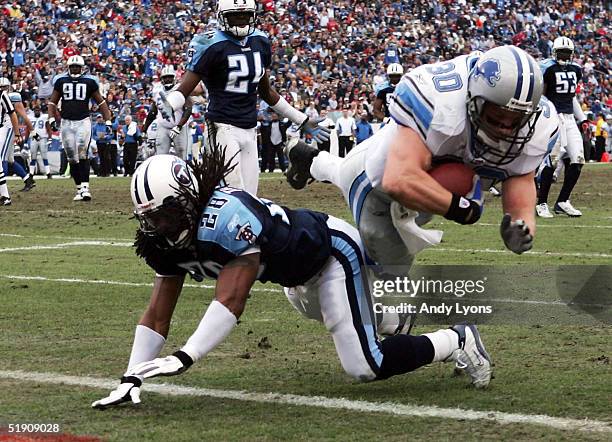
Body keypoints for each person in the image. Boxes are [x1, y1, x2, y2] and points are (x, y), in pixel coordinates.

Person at [91, 150, 492, 410]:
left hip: (331, 253)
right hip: (294, 280)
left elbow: (231, 299)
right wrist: (131, 376)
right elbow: (158, 312)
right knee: (370, 322)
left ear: (191, 199)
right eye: (151, 218)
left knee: (366, 365)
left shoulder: (226, 216)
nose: (160, 227)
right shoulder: (163, 238)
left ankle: (457, 340)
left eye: (167, 214)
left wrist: (185, 356)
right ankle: (392, 315)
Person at [285, 46, 559, 276]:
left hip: (420, 194)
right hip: (376, 186)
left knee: (344, 171)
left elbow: (520, 176)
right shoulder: (439, 100)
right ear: (474, 98)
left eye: (516, 120)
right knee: (389, 281)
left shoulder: (541, 125)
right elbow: (397, 180)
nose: (505, 127)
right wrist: (462, 210)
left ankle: (310, 160)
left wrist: (521, 224)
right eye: (496, 115)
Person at [155, 0, 330, 195]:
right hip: (221, 127)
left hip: (249, 128)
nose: (241, 20)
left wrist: (302, 119)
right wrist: (172, 102)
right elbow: (186, 87)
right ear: (222, 16)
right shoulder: (209, 43)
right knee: (234, 194)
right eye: (235, 15)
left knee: (250, 196)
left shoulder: (259, 41)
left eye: (245, 15)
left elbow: (267, 92)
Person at [47, 55, 113, 201]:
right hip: (66, 122)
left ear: (82, 67)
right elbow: (52, 103)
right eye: (73, 67)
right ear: (68, 67)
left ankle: (85, 188)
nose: (75, 69)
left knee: (82, 151)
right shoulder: (61, 81)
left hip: (83, 121)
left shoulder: (89, 81)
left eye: (77, 67)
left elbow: (101, 103)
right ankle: (78, 189)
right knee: (71, 156)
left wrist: (108, 121)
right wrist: (51, 119)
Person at [536, 37, 586, 218]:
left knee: (578, 159)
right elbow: (541, 95)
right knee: (553, 159)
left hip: (569, 118)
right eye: (561, 53)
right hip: (553, 117)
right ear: (554, 52)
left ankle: (563, 201)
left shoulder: (576, 70)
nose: (564, 56)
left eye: (567, 53)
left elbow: (571, 97)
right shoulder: (547, 68)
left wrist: (582, 119)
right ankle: (541, 202)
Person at [143, 65, 192, 160]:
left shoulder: (180, 89)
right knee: (160, 155)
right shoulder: (158, 92)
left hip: (179, 127)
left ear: (174, 78)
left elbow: (188, 109)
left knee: (182, 153)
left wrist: (179, 126)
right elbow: (153, 112)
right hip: (163, 126)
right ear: (162, 79)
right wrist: (144, 129)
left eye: (170, 77)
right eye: (165, 77)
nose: (168, 79)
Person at [0, 77, 35, 191]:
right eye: (1, 87)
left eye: (5, 87)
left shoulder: (12, 96)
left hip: (9, 127)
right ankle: (27, 179)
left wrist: (31, 131)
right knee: (10, 159)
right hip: (6, 127)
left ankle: (2, 189)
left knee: (2, 159)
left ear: (9, 87)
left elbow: (22, 115)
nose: (3, 89)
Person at [0, 89, 23, 206]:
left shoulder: (2, 95)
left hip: (3, 128)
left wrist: (17, 133)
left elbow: (12, 113)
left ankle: (5, 196)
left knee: (1, 160)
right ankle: (5, 196)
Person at [28, 106, 52, 179]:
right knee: (33, 157)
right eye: (35, 110)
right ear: (33, 111)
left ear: (40, 111)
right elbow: (28, 129)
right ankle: (31, 174)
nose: (37, 111)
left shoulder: (44, 117)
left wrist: (50, 138)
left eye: (38, 110)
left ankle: (48, 173)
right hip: (33, 139)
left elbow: (48, 127)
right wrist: (26, 141)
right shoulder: (30, 117)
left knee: (44, 156)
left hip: (42, 138)